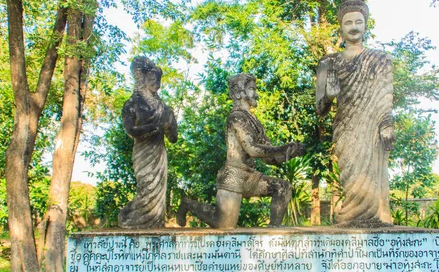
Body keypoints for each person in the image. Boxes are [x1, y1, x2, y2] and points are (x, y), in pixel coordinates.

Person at [316, 0, 394, 226]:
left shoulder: (380, 60)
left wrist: (386, 125)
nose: (353, 27)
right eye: (348, 23)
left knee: (373, 175)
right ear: (340, 26)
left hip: (371, 128)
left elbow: (384, 98)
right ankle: (351, 214)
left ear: (365, 24)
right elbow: (321, 108)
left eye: (358, 22)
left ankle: (376, 215)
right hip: (347, 128)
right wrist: (328, 94)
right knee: (351, 175)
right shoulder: (329, 62)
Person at [177, 73, 305, 228]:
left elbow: (268, 158)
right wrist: (282, 148)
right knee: (223, 223)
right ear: (239, 93)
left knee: (282, 187)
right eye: (252, 89)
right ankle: (188, 204)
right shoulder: (236, 117)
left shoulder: (254, 121)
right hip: (233, 174)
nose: (256, 94)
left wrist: (289, 153)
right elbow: (252, 149)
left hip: (251, 176)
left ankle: (274, 231)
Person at [118, 57, 177, 229]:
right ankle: (130, 218)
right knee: (146, 187)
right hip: (143, 152)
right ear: (142, 79)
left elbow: (173, 138)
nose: (157, 83)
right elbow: (131, 131)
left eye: (159, 80)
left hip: (159, 153)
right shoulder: (132, 104)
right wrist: (155, 126)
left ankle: (156, 224)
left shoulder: (164, 108)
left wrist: (169, 122)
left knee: (158, 193)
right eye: (153, 79)